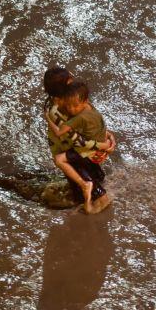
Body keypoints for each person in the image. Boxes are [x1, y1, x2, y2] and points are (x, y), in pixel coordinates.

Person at [43, 67, 115, 213]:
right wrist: (102, 145)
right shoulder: (60, 110)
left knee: (94, 176)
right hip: (73, 148)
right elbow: (77, 140)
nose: (73, 79)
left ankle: (87, 191)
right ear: (63, 87)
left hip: (80, 146)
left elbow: (87, 123)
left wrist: (105, 134)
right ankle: (99, 198)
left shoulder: (69, 101)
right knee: (84, 174)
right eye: (70, 79)